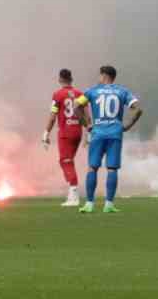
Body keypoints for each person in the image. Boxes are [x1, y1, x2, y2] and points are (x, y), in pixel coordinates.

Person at [80, 65, 142, 214]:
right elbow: (138, 109)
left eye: (100, 75)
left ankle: (89, 204)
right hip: (115, 133)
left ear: (103, 76)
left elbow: (77, 105)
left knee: (92, 167)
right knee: (112, 169)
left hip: (98, 133)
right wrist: (127, 126)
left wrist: (87, 124)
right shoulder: (123, 91)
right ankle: (109, 205)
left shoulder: (92, 91)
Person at [40, 68, 91, 207]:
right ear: (71, 79)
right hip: (78, 132)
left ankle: (74, 196)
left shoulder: (57, 95)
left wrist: (46, 133)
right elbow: (87, 114)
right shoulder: (80, 94)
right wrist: (88, 132)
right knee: (69, 161)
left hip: (65, 132)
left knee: (65, 161)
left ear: (60, 79)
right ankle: (72, 192)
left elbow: (53, 116)